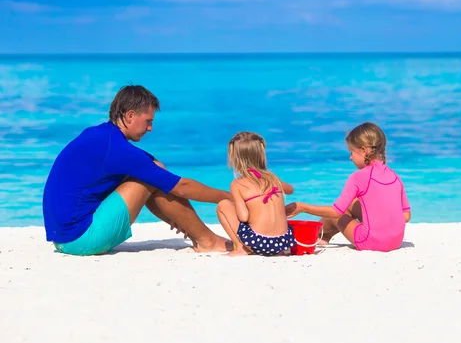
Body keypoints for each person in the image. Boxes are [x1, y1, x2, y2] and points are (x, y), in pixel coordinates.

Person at [42, 85, 232, 256]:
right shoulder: (116, 148)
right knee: (149, 179)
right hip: (81, 239)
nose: (150, 128)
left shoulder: (102, 136)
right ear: (130, 115)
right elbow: (182, 186)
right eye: (148, 121)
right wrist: (229, 197)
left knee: (152, 175)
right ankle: (208, 241)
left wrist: (175, 214)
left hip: (63, 239)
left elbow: (152, 164)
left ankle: (200, 235)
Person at [285, 122, 411, 252]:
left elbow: (336, 212)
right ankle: (326, 236)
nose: (351, 157)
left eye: (352, 152)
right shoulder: (395, 176)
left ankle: (318, 234)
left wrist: (302, 207)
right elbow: (406, 216)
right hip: (396, 241)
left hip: (371, 242)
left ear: (364, 150)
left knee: (337, 212)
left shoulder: (359, 177)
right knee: (352, 204)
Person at [216, 131, 296, 256]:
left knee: (223, 205)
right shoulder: (273, 178)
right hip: (282, 242)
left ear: (235, 158)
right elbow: (290, 189)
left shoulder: (237, 184)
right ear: (261, 154)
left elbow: (243, 217)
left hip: (258, 242)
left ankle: (241, 249)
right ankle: (276, 249)